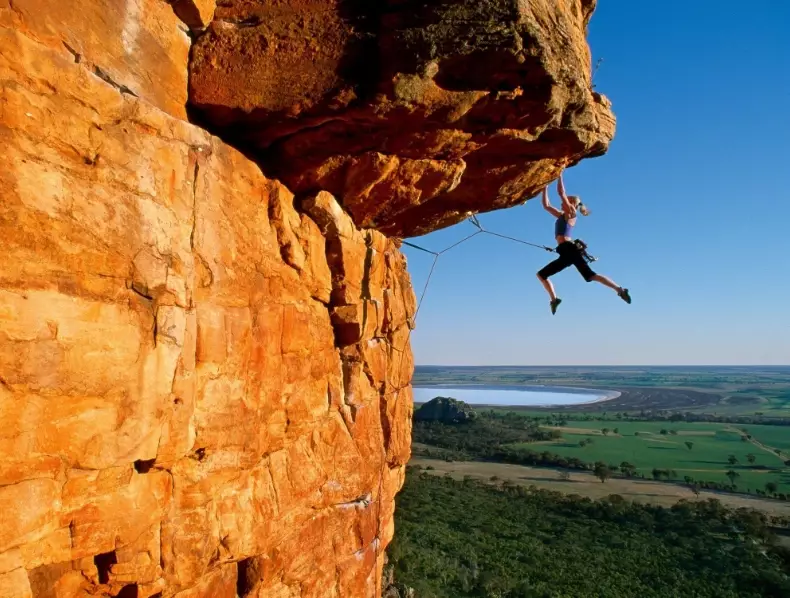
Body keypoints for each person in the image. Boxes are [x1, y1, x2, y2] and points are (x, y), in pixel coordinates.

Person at [536, 173, 631, 314]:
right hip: (564, 251)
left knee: (590, 275)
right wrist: (545, 187)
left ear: (572, 204)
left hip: (570, 249)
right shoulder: (562, 215)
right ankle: (554, 299)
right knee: (542, 275)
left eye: (565, 202)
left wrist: (559, 174)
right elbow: (546, 205)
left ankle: (620, 290)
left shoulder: (571, 214)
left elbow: (561, 193)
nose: (562, 203)